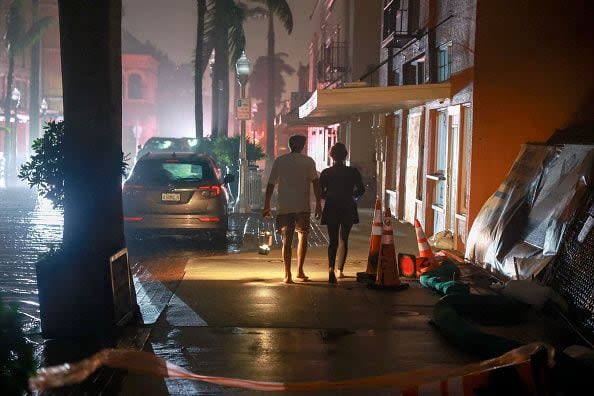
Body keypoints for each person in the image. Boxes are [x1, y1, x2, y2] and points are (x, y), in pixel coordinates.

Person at [263, 135, 321, 284]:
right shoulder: (308, 161)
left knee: (286, 240)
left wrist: (267, 205)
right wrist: (319, 204)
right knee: (303, 238)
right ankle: (300, 271)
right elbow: (315, 182)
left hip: (285, 206)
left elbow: (270, 184)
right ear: (302, 146)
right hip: (302, 206)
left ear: (289, 145)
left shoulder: (280, 161)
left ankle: (287, 275)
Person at [319, 143, 365, 283]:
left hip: (332, 206)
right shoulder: (353, 172)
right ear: (345, 155)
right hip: (348, 206)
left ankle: (331, 268)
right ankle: (340, 270)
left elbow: (321, 193)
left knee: (332, 240)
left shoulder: (326, 173)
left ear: (331, 156)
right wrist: (353, 196)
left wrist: (329, 195)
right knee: (344, 239)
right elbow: (361, 189)